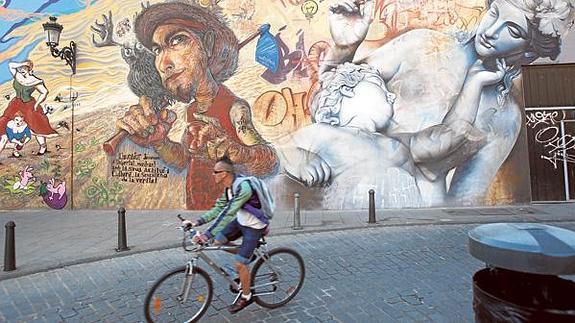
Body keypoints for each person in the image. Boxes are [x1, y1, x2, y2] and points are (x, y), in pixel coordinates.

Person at [320, 0, 574, 204]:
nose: (493, 31)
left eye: (513, 30)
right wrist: (344, 49)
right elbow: (333, 99)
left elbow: (464, 202)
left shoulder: (505, 118)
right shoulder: (422, 45)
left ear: (529, 50)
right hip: (348, 191)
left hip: (419, 213)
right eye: (494, 13)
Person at [116, 2, 278, 209]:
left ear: (208, 44)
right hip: (198, 210)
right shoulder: (192, 110)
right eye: (157, 50)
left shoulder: (235, 108)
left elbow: (270, 162)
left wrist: (239, 153)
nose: (164, 63)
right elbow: (184, 158)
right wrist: (160, 142)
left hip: (231, 212)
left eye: (177, 40)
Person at [279, 60, 503, 206]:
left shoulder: (395, 143)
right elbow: (275, 153)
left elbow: (445, 137)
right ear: (347, 89)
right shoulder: (321, 134)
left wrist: (475, 82)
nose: (392, 96)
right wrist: (300, 158)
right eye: (380, 86)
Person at [183, 156, 270, 313]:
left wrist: (206, 235)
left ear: (224, 173)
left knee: (240, 264)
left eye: (215, 172)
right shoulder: (228, 189)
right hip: (241, 221)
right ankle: (248, 253)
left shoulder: (243, 188)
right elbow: (218, 209)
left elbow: (228, 214)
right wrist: (197, 222)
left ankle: (247, 296)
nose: (213, 174)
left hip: (254, 226)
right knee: (218, 241)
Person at [0, 60, 58, 156]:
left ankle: (43, 147)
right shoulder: (17, 75)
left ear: (29, 69)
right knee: (5, 122)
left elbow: (44, 92)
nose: (22, 69)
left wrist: (37, 103)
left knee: (37, 127)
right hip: (16, 104)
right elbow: (10, 65)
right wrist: (22, 64)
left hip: (28, 105)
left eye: (25, 68)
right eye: (21, 68)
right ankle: (15, 149)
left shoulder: (35, 80)